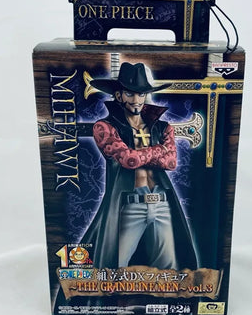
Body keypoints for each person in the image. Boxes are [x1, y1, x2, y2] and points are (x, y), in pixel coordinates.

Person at [81, 62, 197, 270]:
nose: (136, 100)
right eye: (130, 94)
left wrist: (142, 154)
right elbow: (129, 160)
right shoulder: (104, 127)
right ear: (119, 96)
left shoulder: (163, 127)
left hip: (162, 203)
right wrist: (159, 149)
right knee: (115, 266)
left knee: (168, 269)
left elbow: (171, 162)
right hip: (129, 204)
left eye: (141, 94)